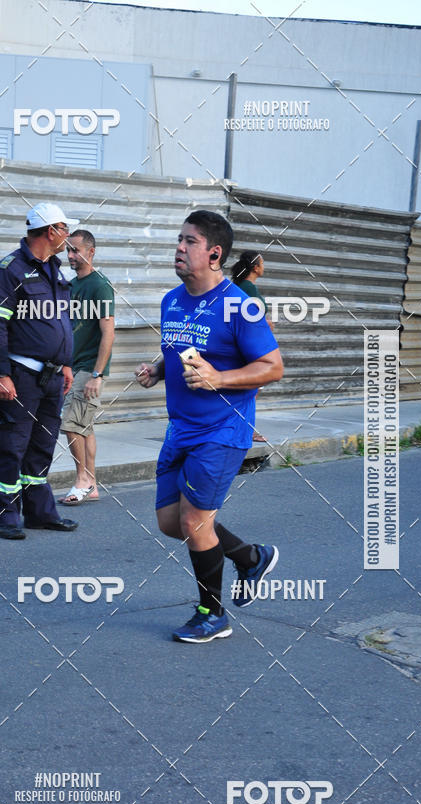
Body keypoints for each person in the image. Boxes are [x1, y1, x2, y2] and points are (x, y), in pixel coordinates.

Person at [135, 210, 283, 643]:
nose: (179, 248)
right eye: (178, 239)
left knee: (196, 522)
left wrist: (220, 379)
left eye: (189, 242)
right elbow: (179, 349)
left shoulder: (241, 306)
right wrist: (159, 370)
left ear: (214, 253)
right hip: (180, 427)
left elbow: (272, 367)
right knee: (170, 522)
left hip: (222, 430)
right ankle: (251, 557)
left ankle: (211, 614)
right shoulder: (172, 300)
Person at [0, 202, 79, 540]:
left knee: (42, 446)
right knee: (12, 446)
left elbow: (61, 320)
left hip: (53, 376)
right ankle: (5, 517)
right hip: (20, 376)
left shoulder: (55, 268)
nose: (68, 236)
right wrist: (0, 373)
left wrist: (66, 363)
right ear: (51, 231)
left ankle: (39, 512)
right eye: (65, 229)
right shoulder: (8, 270)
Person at [59, 230, 115, 505]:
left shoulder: (99, 285)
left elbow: (108, 333)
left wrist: (97, 374)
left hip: (88, 368)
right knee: (84, 426)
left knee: (71, 423)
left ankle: (82, 479)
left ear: (91, 252)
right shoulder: (72, 285)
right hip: (73, 366)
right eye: (68, 250)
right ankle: (91, 483)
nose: (70, 255)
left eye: (76, 250)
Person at [231, 250, 273, 442]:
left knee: (247, 389)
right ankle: (246, 429)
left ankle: (240, 427)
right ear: (256, 268)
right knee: (251, 390)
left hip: (243, 344)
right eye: (262, 264)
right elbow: (248, 317)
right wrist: (266, 323)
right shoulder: (248, 288)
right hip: (249, 347)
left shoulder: (241, 286)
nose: (264, 267)